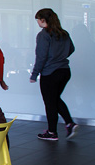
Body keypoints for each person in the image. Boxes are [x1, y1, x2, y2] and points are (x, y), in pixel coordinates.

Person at [31, 8, 78, 141]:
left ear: (43, 20)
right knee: (55, 99)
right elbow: (71, 49)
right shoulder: (64, 34)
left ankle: (52, 132)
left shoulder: (43, 35)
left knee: (50, 102)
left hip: (50, 73)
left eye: (38, 20)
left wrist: (34, 74)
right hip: (64, 71)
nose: (38, 23)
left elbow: (41, 57)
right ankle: (69, 123)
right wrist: (60, 57)